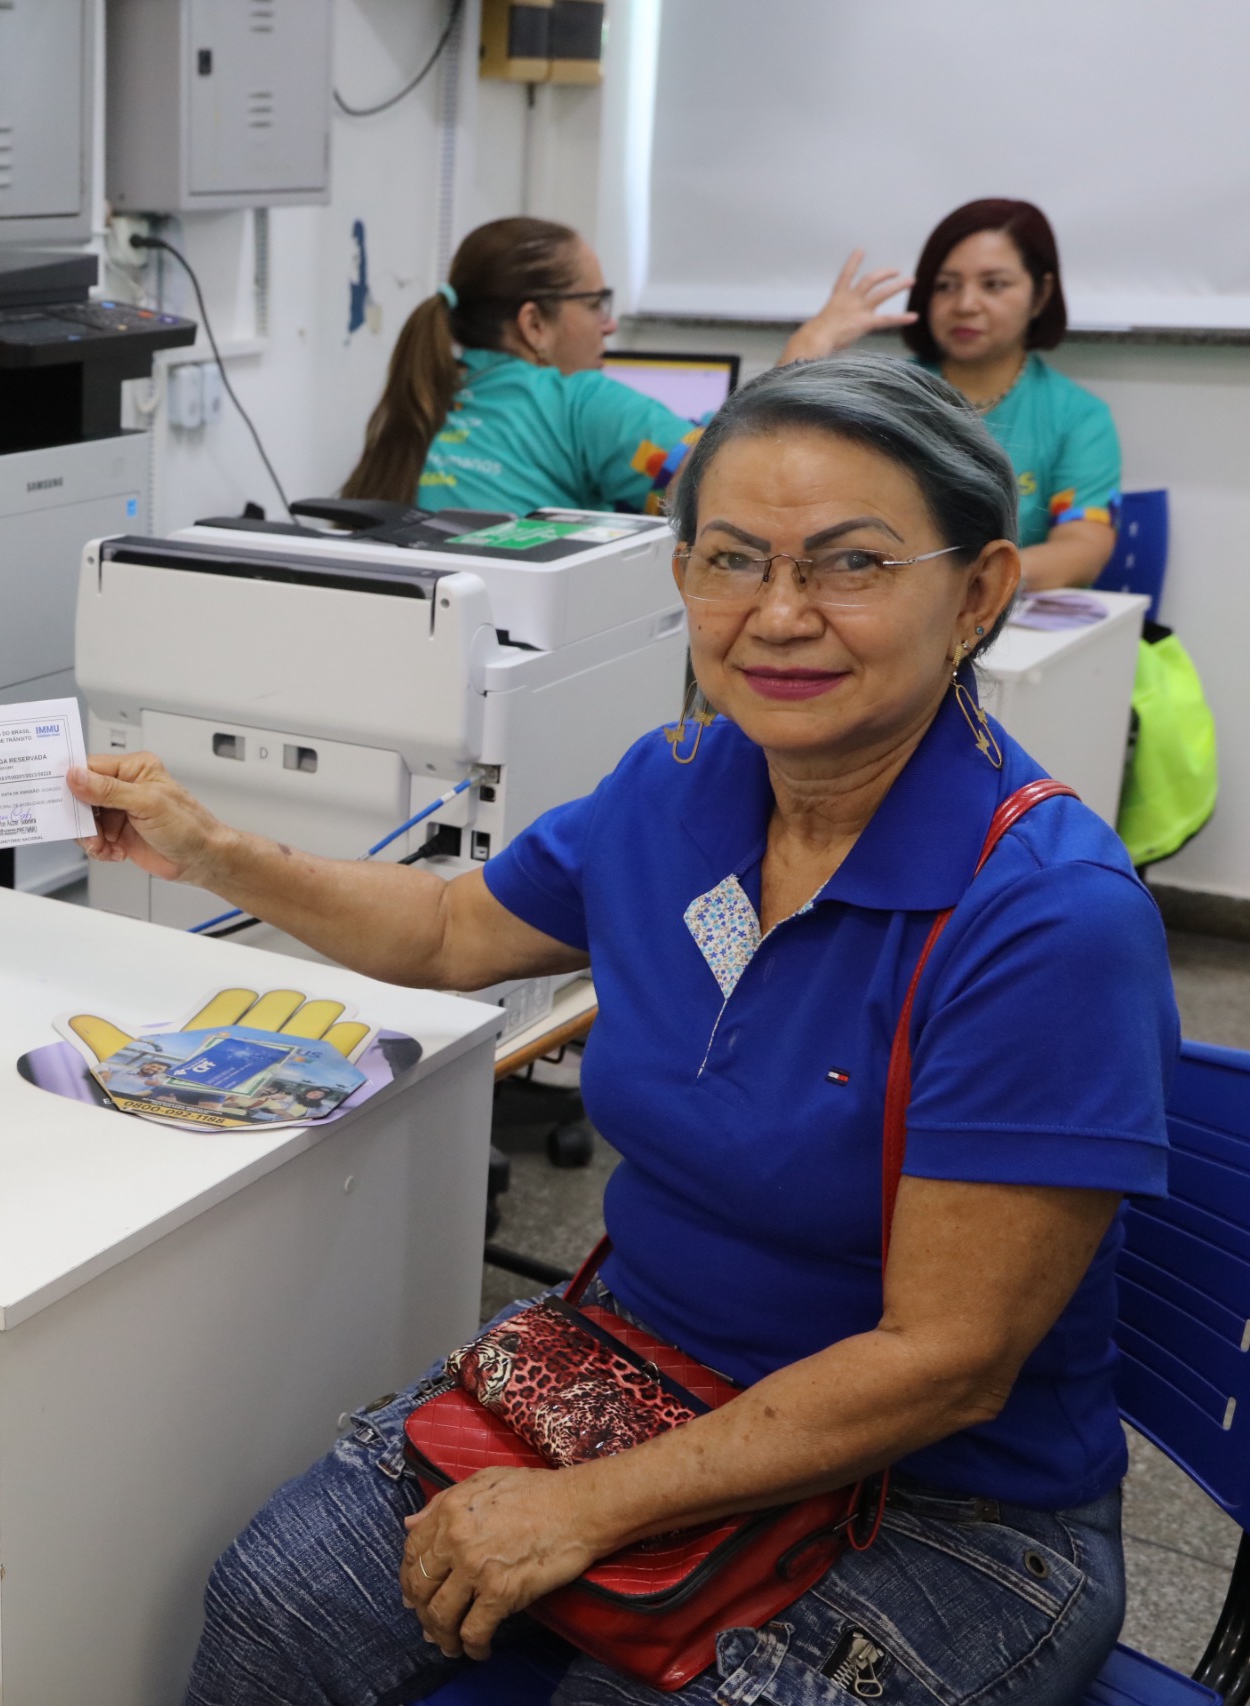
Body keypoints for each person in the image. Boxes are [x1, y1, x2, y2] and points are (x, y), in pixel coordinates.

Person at [72, 352, 1174, 1706]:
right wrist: (208, 844)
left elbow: (943, 1363)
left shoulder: (1047, 918)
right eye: (730, 560)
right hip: (630, 1368)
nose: (778, 615)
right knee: (274, 1600)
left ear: (980, 592)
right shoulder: (677, 787)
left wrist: (589, 1505)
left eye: (851, 565)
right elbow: (443, 930)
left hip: (948, 1509)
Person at [342, 216, 913, 516]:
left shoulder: (425, 394)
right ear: (534, 324)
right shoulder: (579, 403)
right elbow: (736, 469)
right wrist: (813, 340)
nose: (608, 324)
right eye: (595, 305)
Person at [905, 199, 1118, 591]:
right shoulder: (887, 394)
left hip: (1008, 622)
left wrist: (964, 586)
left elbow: (1083, 549)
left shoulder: (1078, 416)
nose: (965, 304)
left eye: (994, 285)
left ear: (1040, 294)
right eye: (945, 286)